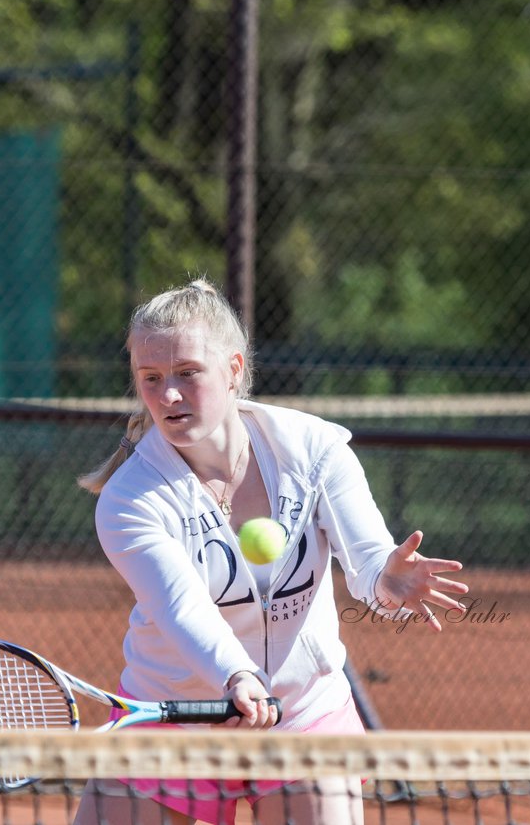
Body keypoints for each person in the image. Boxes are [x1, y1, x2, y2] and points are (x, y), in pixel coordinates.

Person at [72, 278, 469, 825]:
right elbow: (182, 609)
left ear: (234, 369)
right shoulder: (128, 499)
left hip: (303, 713)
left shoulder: (314, 450)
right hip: (174, 713)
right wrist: (238, 679)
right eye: (151, 378)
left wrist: (386, 581)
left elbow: (369, 562)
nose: (168, 395)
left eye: (188, 373)